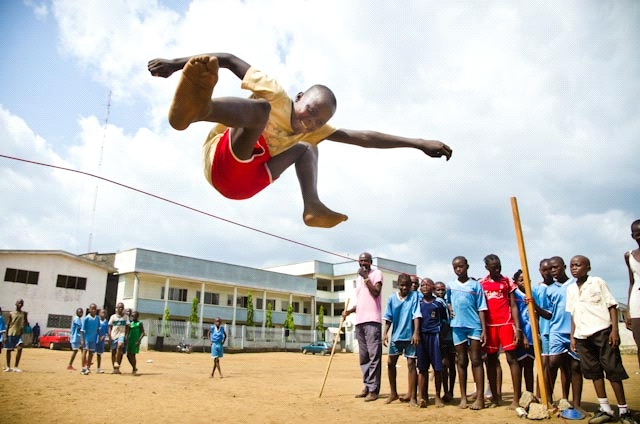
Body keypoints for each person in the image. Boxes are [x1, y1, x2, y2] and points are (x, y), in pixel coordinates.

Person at [147, 54, 452, 228]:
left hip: (247, 184)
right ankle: (200, 110)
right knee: (262, 110)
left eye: (318, 121)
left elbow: (364, 138)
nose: (309, 121)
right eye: (309, 111)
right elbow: (226, 59)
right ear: (299, 97)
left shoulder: (311, 131)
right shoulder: (276, 94)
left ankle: (313, 206)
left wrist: (418, 142)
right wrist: (175, 64)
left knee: (307, 147)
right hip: (221, 164)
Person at [566, 255, 638, 424]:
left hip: (602, 332)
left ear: (588, 267)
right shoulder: (570, 289)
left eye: (578, 265)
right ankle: (605, 408)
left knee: (613, 371)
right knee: (593, 373)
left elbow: (612, 306)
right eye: (572, 265)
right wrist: (573, 336)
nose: (574, 268)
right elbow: (573, 314)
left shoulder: (597, 282)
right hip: (582, 336)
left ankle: (623, 410)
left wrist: (614, 330)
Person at [479, 254, 521, 409]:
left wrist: (517, 327)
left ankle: (516, 399)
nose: (497, 269)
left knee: (512, 359)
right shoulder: (481, 284)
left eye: (499, 265)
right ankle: (495, 397)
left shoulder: (507, 281)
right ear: (487, 268)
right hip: (489, 326)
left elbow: (514, 305)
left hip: (505, 323)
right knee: (491, 360)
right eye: (494, 266)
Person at [447, 256, 487, 409]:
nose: (458, 269)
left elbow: (481, 308)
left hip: (474, 326)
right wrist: (450, 308)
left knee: (476, 360)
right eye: (455, 267)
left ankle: (480, 398)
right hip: (457, 327)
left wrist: (483, 329)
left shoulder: (476, 286)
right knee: (461, 361)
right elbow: (448, 302)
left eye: (461, 266)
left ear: (467, 266)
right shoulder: (450, 286)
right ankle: (463, 398)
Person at [342, 252, 383, 402]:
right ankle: (367, 385)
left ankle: (374, 389)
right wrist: (349, 311)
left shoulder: (376, 274)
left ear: (371, 262)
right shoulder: (359, 279)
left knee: (374, 357)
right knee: (364, 357)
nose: (363, 263)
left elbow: (376, 292)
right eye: (361, 261)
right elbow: (361, 302)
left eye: (366, 261)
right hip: (360, 321)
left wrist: (366, 277)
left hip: (372, 321)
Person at [546, 256, 583, 409]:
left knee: (575, 366)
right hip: (556, 330)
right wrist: (534, 306)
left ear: (564, 266)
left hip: (575, 331)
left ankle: (576, 404)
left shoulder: (575, 284)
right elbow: (549, 313)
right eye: (550, 269)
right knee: (552, 363)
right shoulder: (550, 289)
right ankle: (548, 399)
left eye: (556, 267)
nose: (553, 271)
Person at [382, 273, 421, 406]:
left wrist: (416, 333)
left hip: (410, 337)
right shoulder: (392, 298)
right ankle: (393, 393)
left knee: (411, 365)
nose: (404, 288)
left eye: (407, 285)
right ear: (398, 285)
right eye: (402, 285)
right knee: (390, 363)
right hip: (396, 337)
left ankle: (413, 397)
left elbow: (416, 315)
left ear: (411, 286)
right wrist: (385, 333)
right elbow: (388, 317)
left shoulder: (414, 296)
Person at [417, 278, 447, 408]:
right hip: (422, 337)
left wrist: (441, 336)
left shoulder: (438, 303)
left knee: (437, 368)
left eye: (427, 285)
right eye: (422, 285)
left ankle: (437, 396)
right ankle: (423, 397)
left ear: (432, 287)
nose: (424, 287)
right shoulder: (418, 303)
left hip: (435, 336)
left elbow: (445, 321)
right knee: (422, 369)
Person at [513, 270, 535, 394]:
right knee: (519, 364)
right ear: (516, 282)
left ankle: (530, 394)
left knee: (529, 366)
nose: (524, 283)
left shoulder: (532, 294)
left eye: (527, 280)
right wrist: (523, 336)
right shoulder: (515, 295)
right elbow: (516, 317)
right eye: (521, 280)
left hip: (533, 337)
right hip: (521, 336)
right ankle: (519, 395)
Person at [434, 281, 456, 403]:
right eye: (438, 290)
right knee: (443, 365)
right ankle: (445, 390)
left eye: (442, 290)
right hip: (441, 338)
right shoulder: (436, 303)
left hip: (451, 337)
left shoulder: (448, 303)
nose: (440, 292)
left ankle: (450, 391)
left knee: (452, 365)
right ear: (434, 291)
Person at [624, 219, 640, 373]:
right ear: (633, 236)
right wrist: (628, 309)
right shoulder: (629, 255)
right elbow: (631, 282)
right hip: (637, 302)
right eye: (638, 234)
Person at [5, 299, 27, 372]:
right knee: (9, 350)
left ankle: (16, 367)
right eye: (19, 303)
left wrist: (24, 326)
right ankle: (8, 366)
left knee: (20, 348)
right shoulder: (11, 313)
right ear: (16, 304)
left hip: (19, 334)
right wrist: (5, 336)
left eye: (21, 303)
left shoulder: (24, 314)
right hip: (11, 333)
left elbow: (26, 322)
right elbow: (8, 324)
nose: (20, 304)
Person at [108, 302, 130, 374]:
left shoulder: (126, 317)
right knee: (114, 352)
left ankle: (117, 363)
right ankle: (115, 369)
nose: (120, 309)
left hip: (122, 335)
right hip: (114, 335)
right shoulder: (113, 317)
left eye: (122, 308)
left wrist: (126, 336)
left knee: (120, 346)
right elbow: (110, 327)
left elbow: (127, 326)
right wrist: (110, 336)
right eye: (119, 307)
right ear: (116, 308)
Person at [80, 304, 100, 375]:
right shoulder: (86, 318)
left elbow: (98, 328)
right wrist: (82, 340)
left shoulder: (97, 318)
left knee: (91, 353)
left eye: (95, 309)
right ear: (89, 310)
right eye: (92, 309)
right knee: (85, 352)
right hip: (87, 338)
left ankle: (88, 367)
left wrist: (99, 337)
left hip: (93, 338)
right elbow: (82, 330)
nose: (93, 310)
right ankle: (83, 368)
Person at [126, 311, 145, 376]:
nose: (133, 317)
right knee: (128, 355)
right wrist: (126, 339)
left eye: (134, 316)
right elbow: (127, 332)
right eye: (132, 316)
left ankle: (134, 369)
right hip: (130, 340)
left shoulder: (139, 323)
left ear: (137, 316)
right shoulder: (130, 323)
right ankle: (134, 367)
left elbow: (143, 333)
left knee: (133, 355)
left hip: (135, 341)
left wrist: (139, 341)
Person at [95, 309, 109, 374]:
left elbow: (107, 331)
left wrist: (104, 336)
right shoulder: (96, 320)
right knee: (91, 353)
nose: (103, 314)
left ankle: (98, 368)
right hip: (95, 338)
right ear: (99, 313)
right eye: (102, 313)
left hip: (101, 340)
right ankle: (87, 367)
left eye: (104, 313)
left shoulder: (106, 322)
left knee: (99, 354)